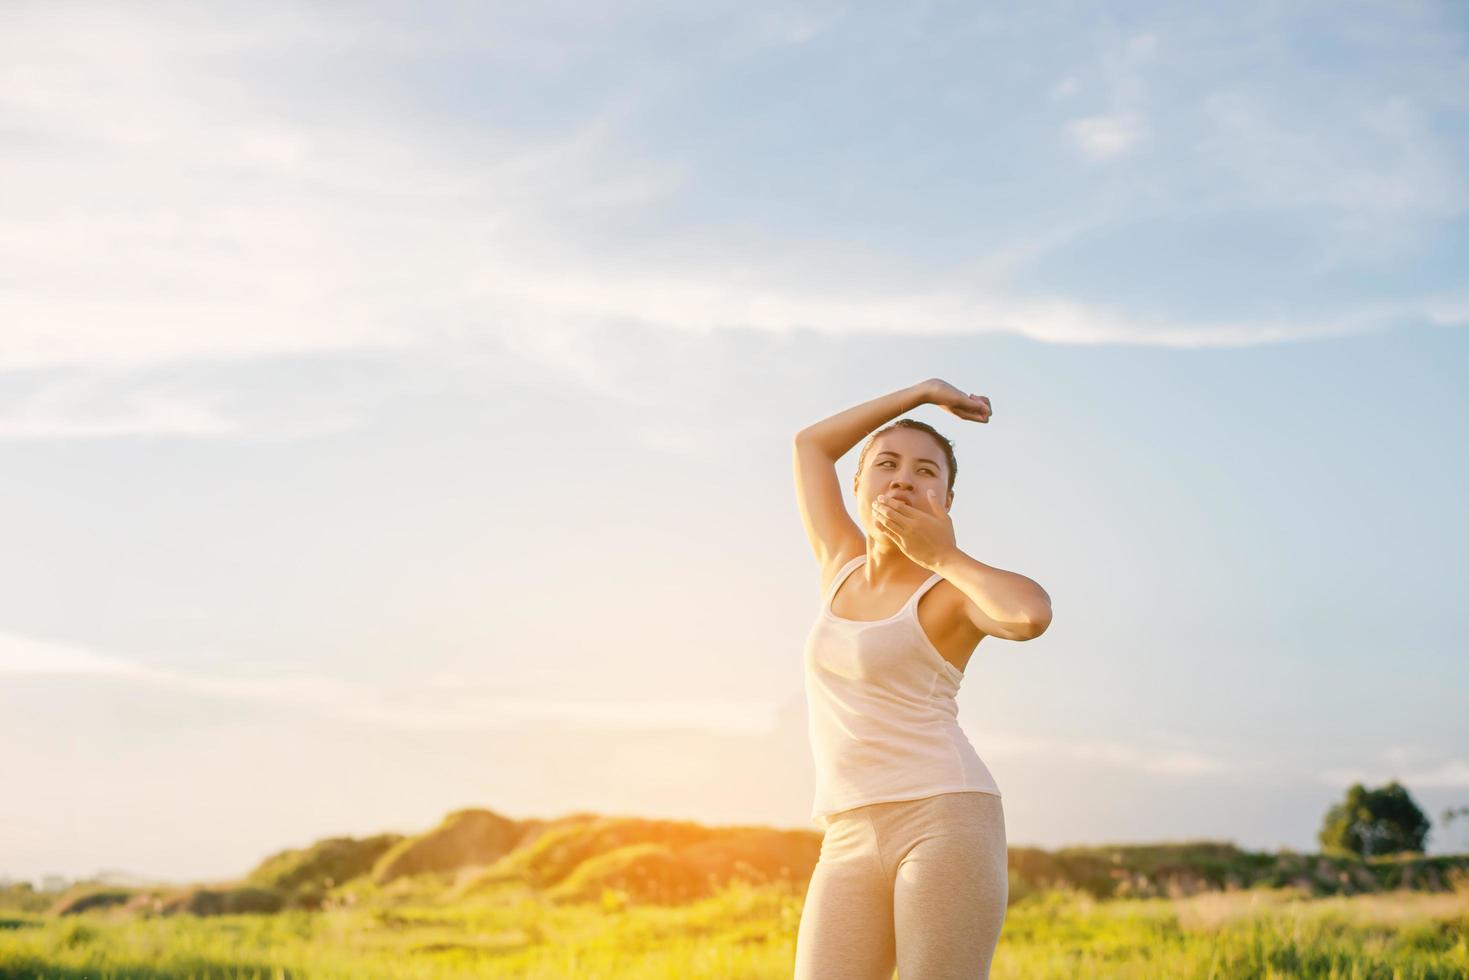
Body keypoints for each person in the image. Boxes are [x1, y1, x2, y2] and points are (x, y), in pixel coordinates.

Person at [790, 378, 1052, 979]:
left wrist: (943, 557)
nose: (904, 477)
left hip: (945, 819)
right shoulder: (838, 565)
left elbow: (1031, 615)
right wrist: (925, 394)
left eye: (927, 471)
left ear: (947, 501)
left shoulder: (951, 594)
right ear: (858, 485)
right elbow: (810, 445)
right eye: (886, 464)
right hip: (848, 830)